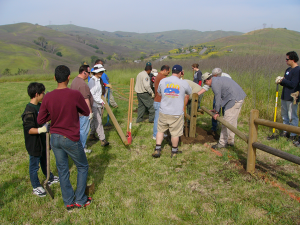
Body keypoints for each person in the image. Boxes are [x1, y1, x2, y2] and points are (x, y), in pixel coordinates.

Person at [37, 65, 91, 211]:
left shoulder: (48, 96)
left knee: (62, 170)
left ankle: (68, 202)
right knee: (82, 166)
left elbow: (40, 119)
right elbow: (86, 111)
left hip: (55, 138)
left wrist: (53, 114)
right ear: (68, 77)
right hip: (70, 137)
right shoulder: (74, 95)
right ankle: (80, 199)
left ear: (55, 78)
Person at [21, 82, 59, 197]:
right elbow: (29, 129)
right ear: (37, 94)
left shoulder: (40, 106)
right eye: (43, 93)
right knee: (34, 165)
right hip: (34, 144)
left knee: (44, 161)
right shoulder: (29, 110)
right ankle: (36, 186)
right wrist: (41, 130)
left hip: (43, 142)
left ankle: (49, 177)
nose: (44, 95)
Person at [152, 65, 192, 158]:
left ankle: (157, 149)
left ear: (172, 71)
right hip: (176, 113)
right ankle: (174, 152)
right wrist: (182, 78)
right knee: (175, 133)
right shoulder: (183, 83)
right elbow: (189, 92)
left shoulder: (163, 81)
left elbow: (159, 93)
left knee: (160, 130)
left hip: (164, 111)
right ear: (181, 72)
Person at [202, 73, 246, 149]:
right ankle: (230, 140)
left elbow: (218, 99)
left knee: (226, 122)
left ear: (207, 80)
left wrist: (216, 112)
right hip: (239, 97)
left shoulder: (215, 84)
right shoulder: (218, 79)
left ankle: (222, 143)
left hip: (234, 99)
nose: (206, 85)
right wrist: (216, 109)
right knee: (233, 121)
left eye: (204, 83)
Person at [198, 68, 232, 135]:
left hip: (226, 96)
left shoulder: (227, 77)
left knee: (226, 112)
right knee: (215, 109)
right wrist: (197, 94)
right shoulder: (210, 77)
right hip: (217, 95)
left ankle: (225, 129)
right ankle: (214, 128)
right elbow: (206, 87)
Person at [275, 51, 300, 142]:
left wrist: (283, 80)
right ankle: (285, 132)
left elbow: (293, 84)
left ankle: (293, 134)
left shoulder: (298, 70)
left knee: (292, 116)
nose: (286, 60)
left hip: (293, 96)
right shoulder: (288, 70)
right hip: (284, 96)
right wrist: (280, 81)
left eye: (287, 59)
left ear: (293, 60)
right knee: (284, 115)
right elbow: (286, 83)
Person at [70, 64, 94, 153]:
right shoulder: (82, 84)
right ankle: (82, 148)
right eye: (88, 73)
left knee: (79, 129)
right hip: (83, 112)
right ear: (84, 72)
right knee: (84, 130)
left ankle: (79, 145)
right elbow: (86, 99)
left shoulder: (74, 81)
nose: (89, 75)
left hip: (76, 111)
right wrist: (90, 112)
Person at [88, 64, 109, 147]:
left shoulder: (99, 80)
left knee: (94, 121)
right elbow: (92, 94)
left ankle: (92, 135)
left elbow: (99, 91)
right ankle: (103, 140)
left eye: (102, 71)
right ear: (95, 72)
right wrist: (101, 101)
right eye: (100, 71)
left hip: (98, 103)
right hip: (94, 104)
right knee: (99, 121)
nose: (101, 73)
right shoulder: (92, 81)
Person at [152, 65, 170, 139]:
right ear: (165, 70)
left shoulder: (159, 76)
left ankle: (159, 134)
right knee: (158, 119)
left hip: (158, 100)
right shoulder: (162, 78)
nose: (168, 74)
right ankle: (155, 135)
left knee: (160, 119)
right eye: (168, 72)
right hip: (159, 101)